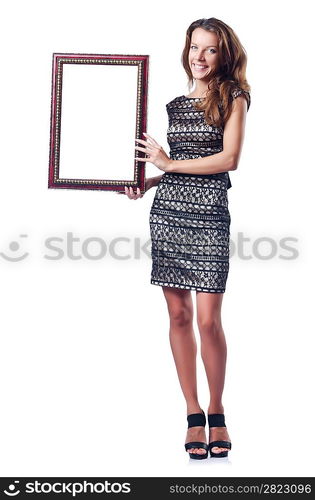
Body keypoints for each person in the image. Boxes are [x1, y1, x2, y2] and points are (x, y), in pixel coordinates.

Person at [120, 17, 251, 459]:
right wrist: (150, 181)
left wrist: (169, 165)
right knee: (178, 316)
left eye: (210, 49)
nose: (200, 56)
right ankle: (193, 412)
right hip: (169, 214)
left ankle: (217, 410)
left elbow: (228, 159)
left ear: (224, 54)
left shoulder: (234, 97)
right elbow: (178, 163)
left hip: (210, 215)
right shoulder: (176, 104)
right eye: (195, 47)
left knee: (208, 319)